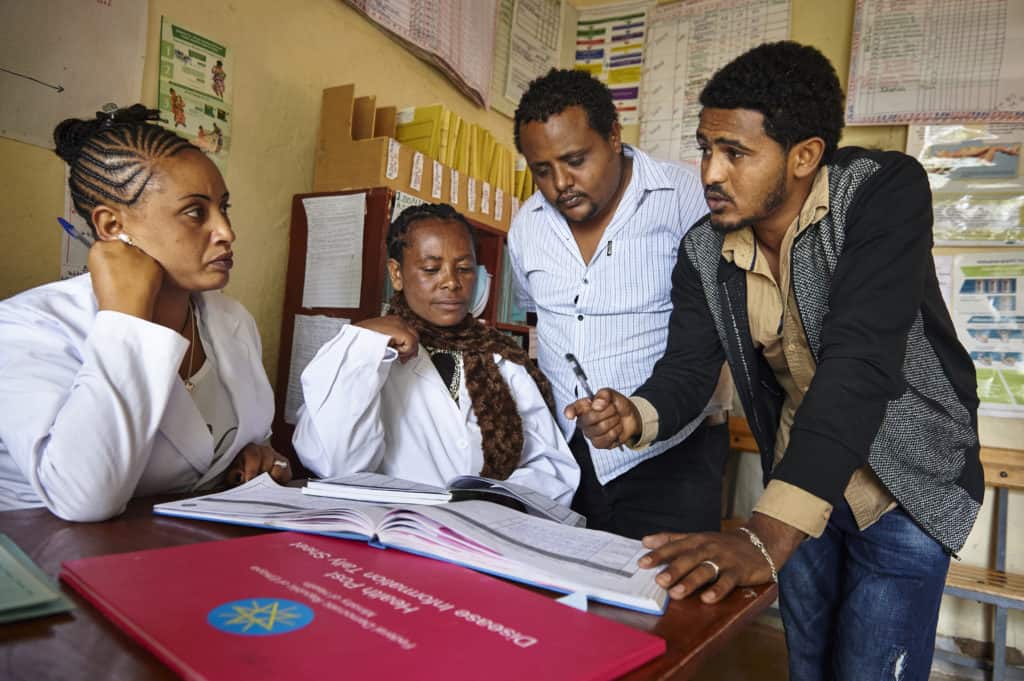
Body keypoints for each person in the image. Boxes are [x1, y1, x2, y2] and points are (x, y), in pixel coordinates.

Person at [569, 42, 982, 681]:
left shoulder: (882, 194)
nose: (709, 172)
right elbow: (687, 371)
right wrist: (635, 415)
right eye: (707, 148)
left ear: (804, 156)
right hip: (800, 476)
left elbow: (860, 363)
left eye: (735, 152)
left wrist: (764, 537)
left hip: (904, 484)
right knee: (808, 665)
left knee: (874, 670)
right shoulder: (705, 250)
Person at [0, 105, 291, 521]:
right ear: (112, 226)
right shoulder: (26, 327)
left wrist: (258, 456)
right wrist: (126, 319)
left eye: (224, 207)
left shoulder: (231, 320)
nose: (226, 231)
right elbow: (85, 499)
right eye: (196, 212)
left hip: (182, 553)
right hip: (47, 564)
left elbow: (246, 438)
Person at [508, 68, 731, 537]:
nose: (561, 183)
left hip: (673, 457)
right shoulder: (526, 225)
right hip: (569, 456)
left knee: (663, 602)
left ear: (613, 136)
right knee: (567, 598)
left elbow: (714, 329)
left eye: (575, 159)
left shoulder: (687, 198)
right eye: (541, 170)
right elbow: (539, 319)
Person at [293, 203, 579, 504]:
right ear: (396, 273)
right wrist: (363, 347)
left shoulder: (503, 358)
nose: (452, 282)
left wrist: (495, 501)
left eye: (465, 268)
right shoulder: (362, 353)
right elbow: (338, 464)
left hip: (484, 533)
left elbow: (551, 466)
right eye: (431, 269)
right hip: (394, 530)